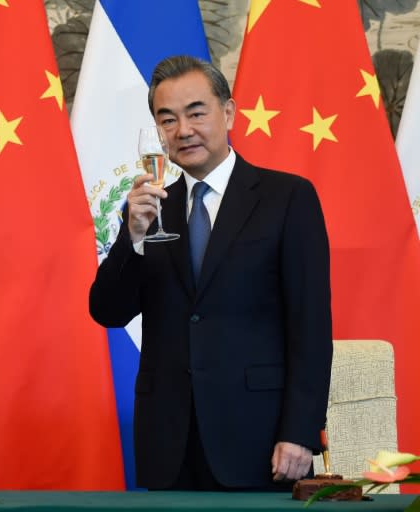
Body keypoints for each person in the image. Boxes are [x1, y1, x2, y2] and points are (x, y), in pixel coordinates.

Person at [89, 56, 332, 490]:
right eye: (168, 119)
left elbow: (310, 327)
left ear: (229, 113)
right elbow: (107, 311)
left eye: (197, 112)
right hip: (168, 440)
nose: (183, 130)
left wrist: (300, 432)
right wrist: (134, 238)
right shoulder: (150, 209)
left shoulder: (287, 198)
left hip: (259, 437)